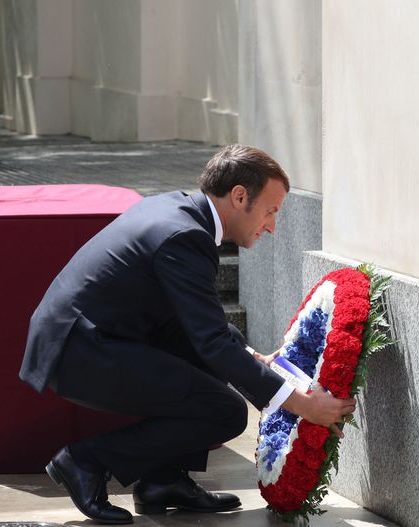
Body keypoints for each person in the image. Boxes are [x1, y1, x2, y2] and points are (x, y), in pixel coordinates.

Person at [20, 144, 356, 525]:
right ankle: (84, 462)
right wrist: (302, 404)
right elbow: (211, 342)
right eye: (271, 211)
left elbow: (201, 326)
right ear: (239, 196)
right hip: (80, 351)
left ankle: (163, 481)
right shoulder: (185, 236)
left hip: (93, 338)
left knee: (217, 360)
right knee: (225, 412)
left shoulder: (181, 213)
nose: (272, 226)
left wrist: (248, 356)